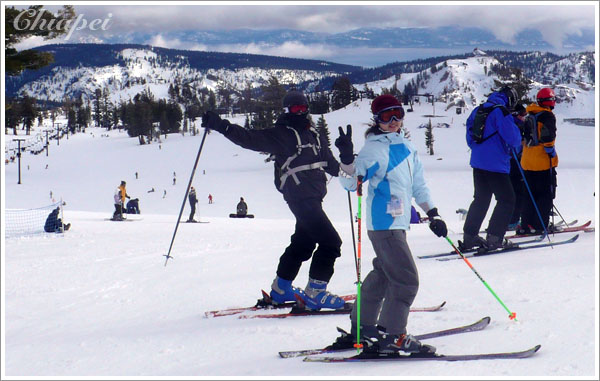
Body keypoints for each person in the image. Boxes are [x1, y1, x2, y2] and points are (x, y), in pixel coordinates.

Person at [201, 90, 345, 310]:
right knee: (331, 242)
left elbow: (333, 166)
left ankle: (281, 288)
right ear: (286, 111)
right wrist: (222, 126)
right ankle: (316, 293)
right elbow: (249, 139)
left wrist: (348, 157)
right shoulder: (282, 134)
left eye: (303, 108)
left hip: (314, 197)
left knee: (304, 242)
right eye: (295, 109)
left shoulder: (314, 135)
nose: (301, 112)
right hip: (300, 197)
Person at [333, 94, 448, 355]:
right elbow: (353, 183)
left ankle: (362, 327)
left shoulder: (407, 147)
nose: (394, 121)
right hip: (384, 224)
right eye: (387, 116)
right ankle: (393, 335)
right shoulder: (374, 149)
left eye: (397, 114)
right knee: (406, 280)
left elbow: (418, 184)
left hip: (398, 222)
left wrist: (434, 213)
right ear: (377, 120)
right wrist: (347, 160)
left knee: (384, 273)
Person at [460, 86, 522, 251]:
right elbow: (513, 139)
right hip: (496, 164)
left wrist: (480, 150)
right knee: (507, 200)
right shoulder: (501, 112)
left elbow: (470, 135)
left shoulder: (478, 109)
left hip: (478, 162)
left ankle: (469, 237)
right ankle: (495, 238)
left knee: (480, 199)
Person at [517, 87, 559, 234]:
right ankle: (539, 225)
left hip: (527, 161)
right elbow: (548, 137)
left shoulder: (530, 114)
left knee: (529, 194)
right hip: (542, 162)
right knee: (545, 195)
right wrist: (550, 151)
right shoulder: (547, 116)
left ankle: (525, 225)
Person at [507, 103, 527, 230]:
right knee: (519, 192)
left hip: (509, 161)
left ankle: (510, 219)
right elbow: (515, 144)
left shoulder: (509, 123)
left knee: (511, 192)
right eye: (522, 114)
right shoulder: (516, 125)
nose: (524, 117)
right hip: (515, 161)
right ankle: (513, 221)